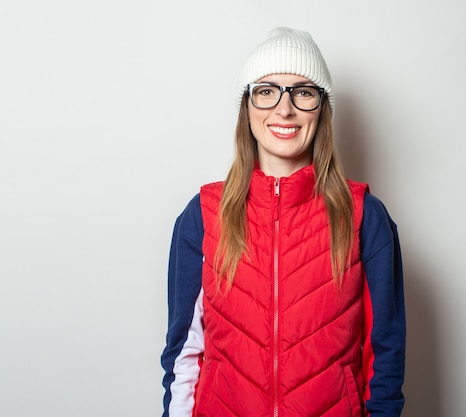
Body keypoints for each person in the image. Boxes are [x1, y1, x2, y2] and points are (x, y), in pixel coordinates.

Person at [161, 27, 405, 417]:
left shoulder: (364, 216)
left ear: (322, 108)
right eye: (266, 90)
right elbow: (183, 355)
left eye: (303, 92)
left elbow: (386, 357)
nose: (284, 108)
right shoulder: (203, 214)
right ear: (248, 106)